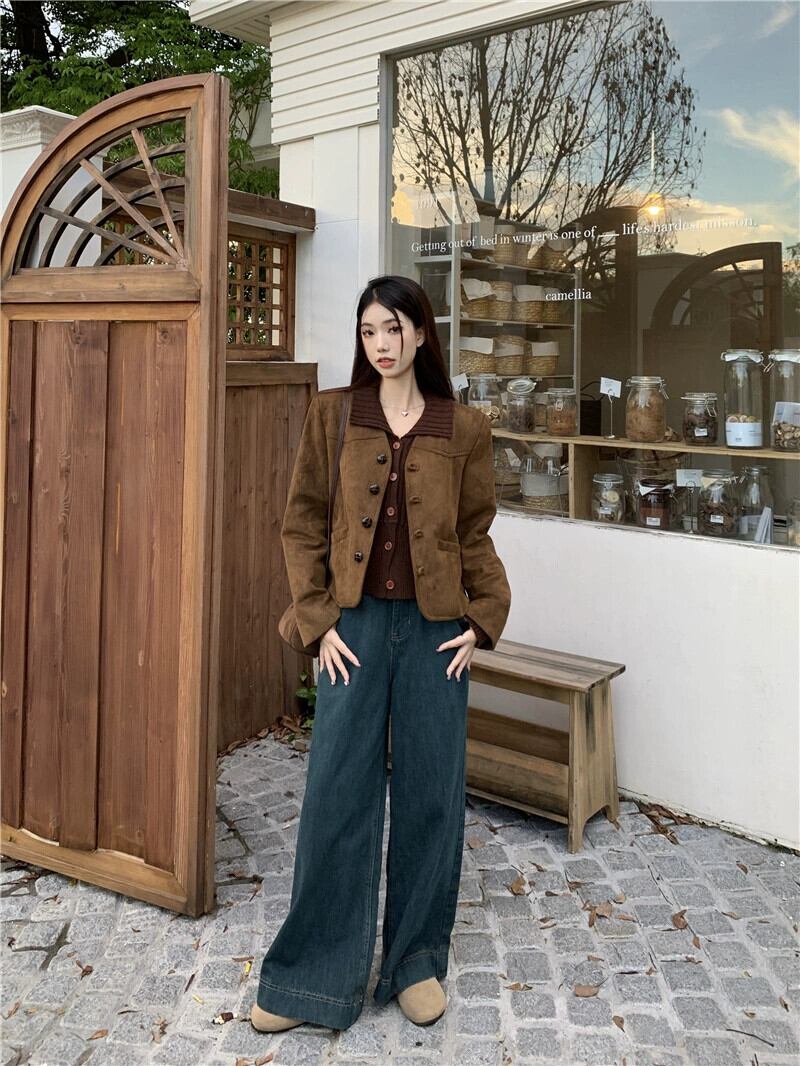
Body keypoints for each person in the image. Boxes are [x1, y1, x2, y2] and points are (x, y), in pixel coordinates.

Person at [251, 274, 511, 1033]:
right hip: (354, 631)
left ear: (422, 333)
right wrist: (317, 620)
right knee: (336, 792)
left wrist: (484, 617)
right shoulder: (334, 415)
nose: (382, 344)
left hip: (435, 635)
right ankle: (310, 978)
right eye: (369, 331)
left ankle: (415, 962)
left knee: (432, 793)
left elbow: (474, 533)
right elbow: (302, 522)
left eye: (394, 328)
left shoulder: (465, 427)